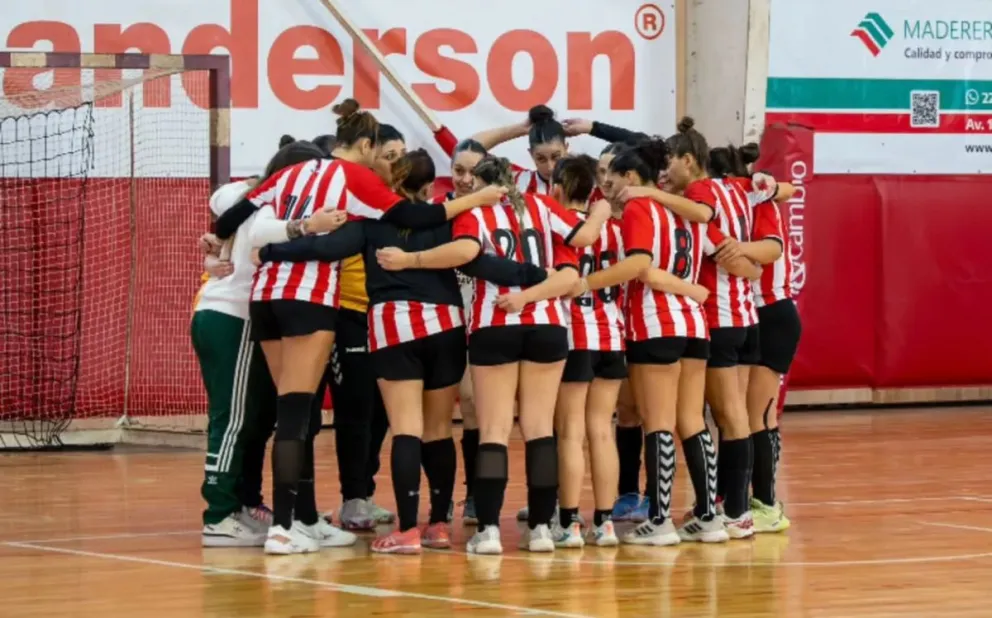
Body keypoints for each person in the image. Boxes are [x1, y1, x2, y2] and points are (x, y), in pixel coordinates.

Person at [213, 100, 507, 554]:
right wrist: (478, 203)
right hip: (329, 303)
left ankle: (304, 520)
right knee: (310, 416)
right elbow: (421, 222)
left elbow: (235, 216)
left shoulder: (294, 174)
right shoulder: (364, 183)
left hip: (272, 300)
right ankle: (291, 528)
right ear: (367, 145)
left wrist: (237, 246)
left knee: (300, 414)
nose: (381, 163)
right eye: (380, 152)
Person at [258, 150, 542, 553]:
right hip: (445, 325)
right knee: (440, 429)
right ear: (430, 187)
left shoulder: (373, 223)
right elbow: (480, 262)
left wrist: (269, 252)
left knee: (406, 428)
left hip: (394, 324)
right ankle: (439, 524)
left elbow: (325, 249)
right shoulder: (452, 217)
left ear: (392, 183)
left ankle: (407, 530)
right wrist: (534, 276)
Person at [376, 155, 609, 554]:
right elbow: (584, 239)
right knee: (539, 429)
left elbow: (466, 252)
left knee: (494, 431)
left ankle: (488, 530)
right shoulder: (542, 206)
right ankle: (539, 529)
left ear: (485, 185)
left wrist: (411, 260)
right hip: (548, 323)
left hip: (494, 321)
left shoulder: (477, 212)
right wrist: (602, 209)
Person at [574, 138, 744, 545]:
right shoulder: (681, 210)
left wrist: (585, 282)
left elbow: (642, 268)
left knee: (659, 423)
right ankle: (709, 516)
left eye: (611, 177)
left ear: (632, 177)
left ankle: (661, 518)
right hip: (695, 326)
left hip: (655, 324)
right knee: (692, 422)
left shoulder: (640, 207)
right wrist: (693, 291)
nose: (606, 185)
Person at [662, 118, 765, 539]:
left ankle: (736, 511)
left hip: (719, 316)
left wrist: (748, 267)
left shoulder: (700, 193)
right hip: (745, 316)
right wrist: (754, 271)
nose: (666, 172)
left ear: (690, 160)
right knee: (733, 415)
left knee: (728, 415)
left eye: (670, 163)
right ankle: (727, 505)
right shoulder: (737, 188)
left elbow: (720, 247)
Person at [707, 143, 799, 533]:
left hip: (773, 312)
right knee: (735, 415)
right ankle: (734, 494)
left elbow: (772, 249)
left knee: (758, 414)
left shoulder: (757, 200)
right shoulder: (735, 203)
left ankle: (767, 502)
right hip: (749, 313)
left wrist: (731, 248)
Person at [193, 175, 279, 547]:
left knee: (247, 418)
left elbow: (221, 202)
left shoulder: (250, 202)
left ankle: (237, 506)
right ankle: (218, 516)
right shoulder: (267, 210)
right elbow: (222, 199)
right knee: (231, 419)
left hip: (220, 313)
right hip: (232, 315)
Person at [328, 123, 406, 531]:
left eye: (401, 158)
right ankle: (351, 497)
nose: (397, 165)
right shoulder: (348, 196)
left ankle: (365, 493)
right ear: (369, 152)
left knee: (381, 413)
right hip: (349, 313)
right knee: (355, 409)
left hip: (387, 318)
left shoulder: (397, 204)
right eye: (390, 157)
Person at [550, 155, 627, 548]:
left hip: (575, 334)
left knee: (570, 432)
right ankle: (606, 522)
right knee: (602, 430)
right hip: (612, 334)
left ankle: (569, 522)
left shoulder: (557, 225)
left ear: (560, 186)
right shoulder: (614, 229)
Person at [437, 138, 490, 525]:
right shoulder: (437, 213)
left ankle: (475, 495)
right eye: (459, 170)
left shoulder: (498, 215)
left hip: (481, 322)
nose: (466, 179)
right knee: (432, 417)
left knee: (474, 406)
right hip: (437, 322)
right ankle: (437, 505)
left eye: (474, 171)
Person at [470, 105, 568, 195]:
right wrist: (521, 128)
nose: (550, 167)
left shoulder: (581, 182)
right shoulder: (517, 181)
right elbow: (466, 150)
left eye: (556, 157)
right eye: (541, 159)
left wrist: (583, 128)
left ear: (566, 149)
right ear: (531, 154)